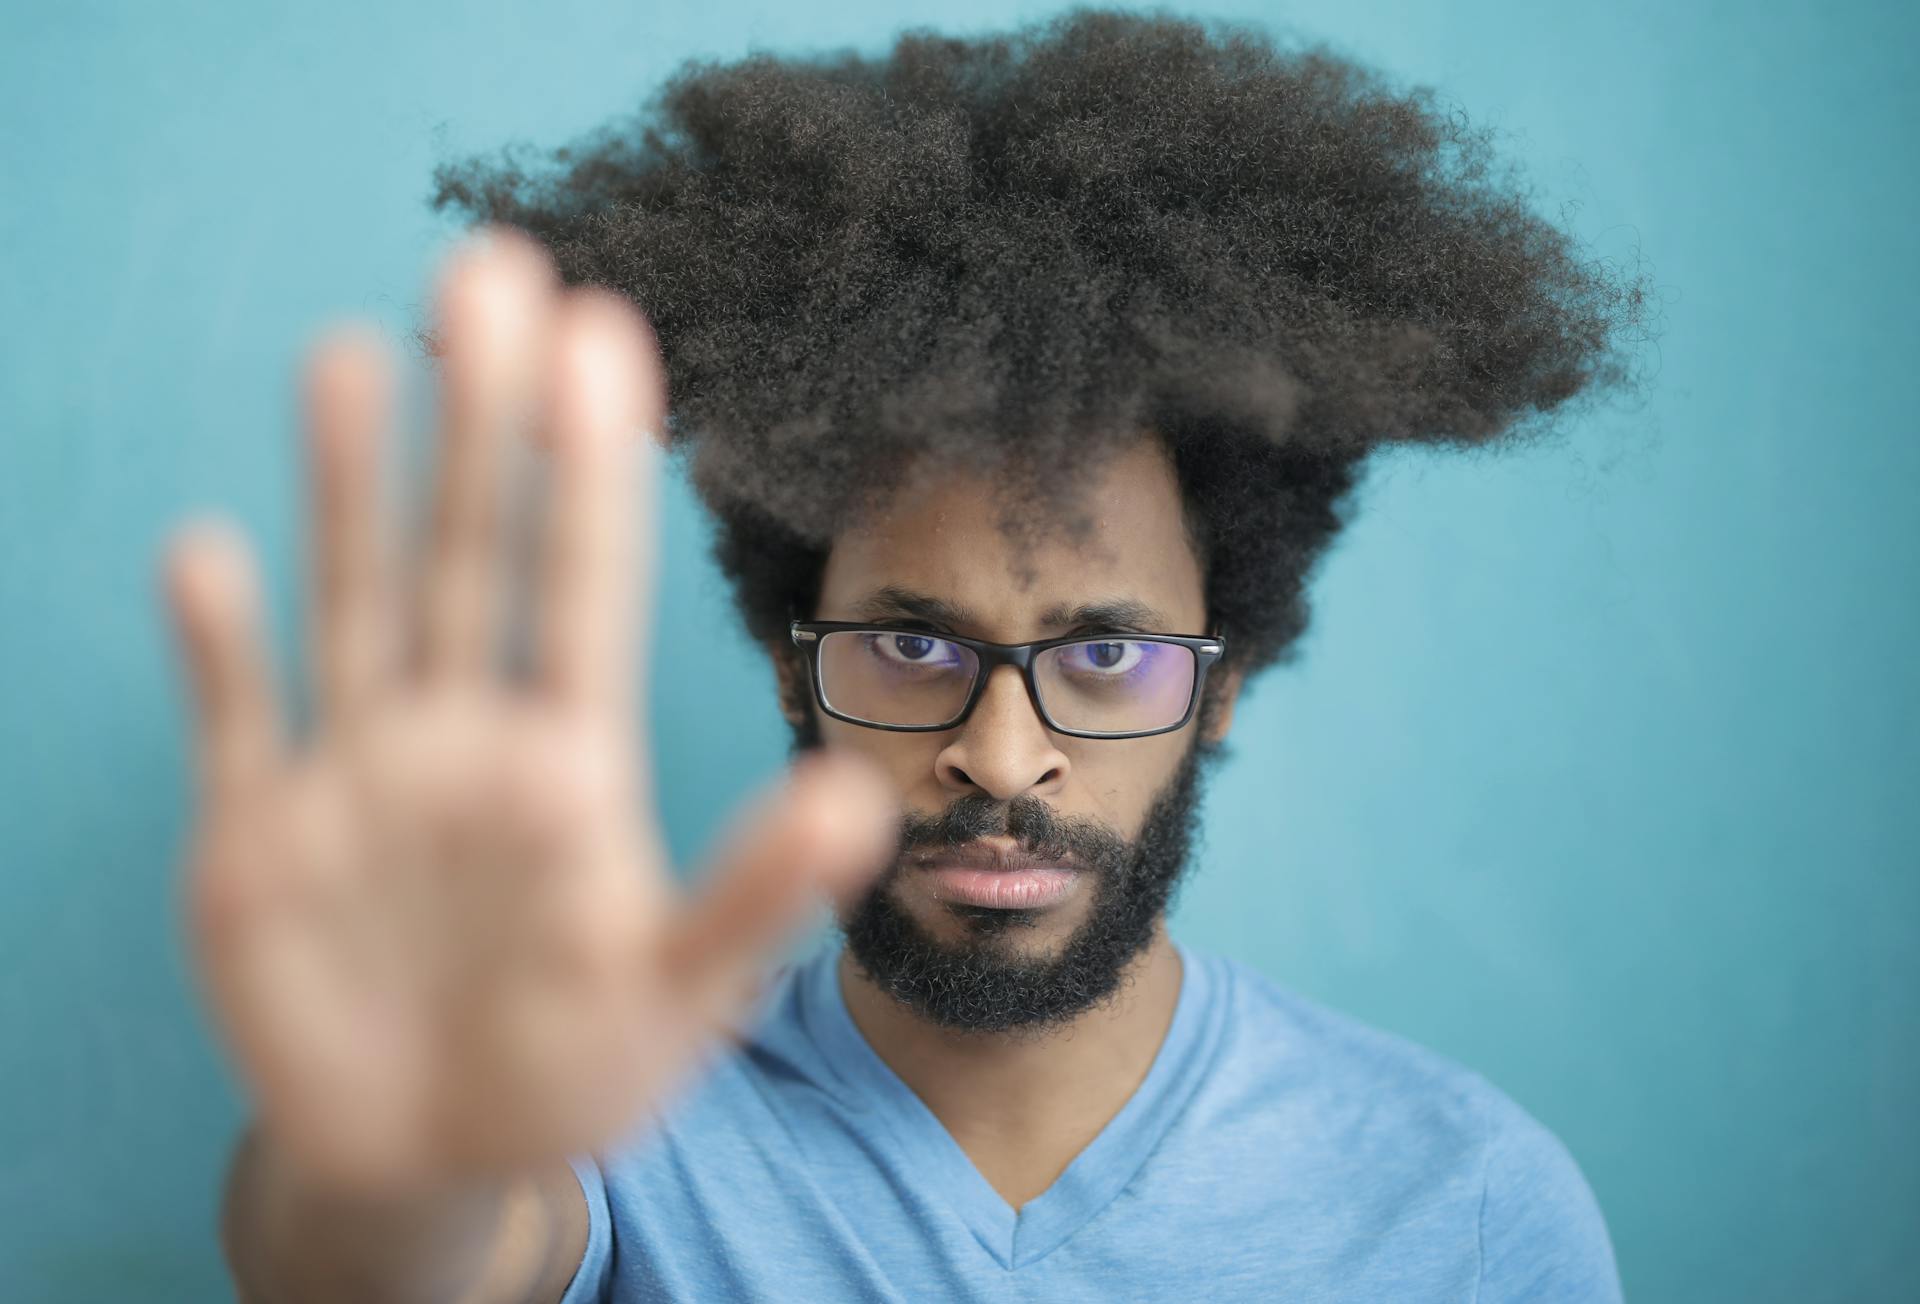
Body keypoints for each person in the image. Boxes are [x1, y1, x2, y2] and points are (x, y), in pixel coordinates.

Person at [162, 9, 1650, 1301]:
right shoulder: (613, 1108)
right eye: (913, 644)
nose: (1001, 759)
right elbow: (389, 1272)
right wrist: (392, 1152)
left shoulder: (1463, 1207)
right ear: (791, 665)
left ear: (1226, 684)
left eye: (1107, 662)